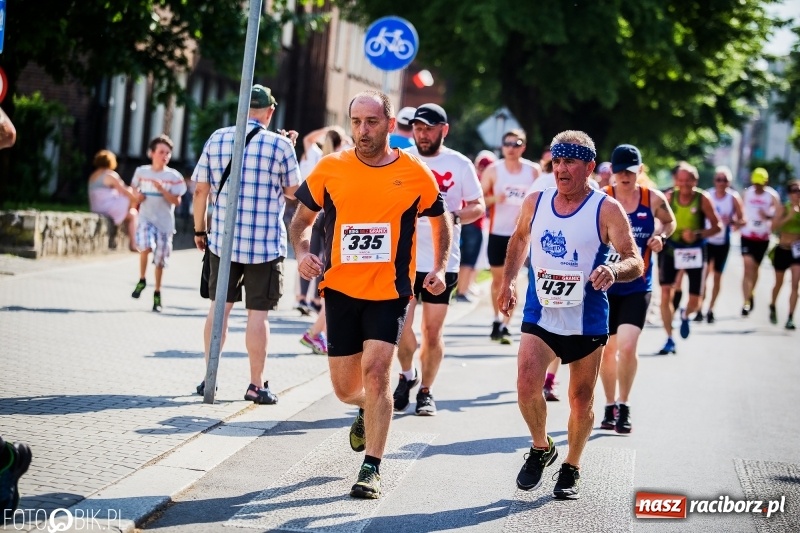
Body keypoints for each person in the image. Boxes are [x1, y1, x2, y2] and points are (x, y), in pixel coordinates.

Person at [290, 90, 451, 500]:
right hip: (340, 290)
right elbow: (301, 220)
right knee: (347, 388)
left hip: (391, 292)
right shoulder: (331, 168)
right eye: (357, 122)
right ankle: (365, 408)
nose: (363, 130)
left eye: (372, 122)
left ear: (390, 125)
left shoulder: (415, 172)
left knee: (378, 374)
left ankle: (371, 467)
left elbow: (440, 217)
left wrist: (439, 267)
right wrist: (303, 252)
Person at [499, 130, 643, 500]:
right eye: (557, 162)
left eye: (571, 162)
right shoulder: (537, 200)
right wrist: (509, 282)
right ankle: (541, 447)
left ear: (590, 167)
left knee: (581, 400)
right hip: (541, 313)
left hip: (587, 317)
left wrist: (614, 270)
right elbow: (518, 240)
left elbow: (634, 260)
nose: (562, 170)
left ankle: (572, 465)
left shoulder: (606, 208)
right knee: (526, 383)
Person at [192, 84, 301, 404]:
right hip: (264, 245)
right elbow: (295, 192)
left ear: (241, 109)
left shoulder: (217, 138)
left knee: (218, 309)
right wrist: (288, 147)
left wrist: (200, 231)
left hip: (222, 243)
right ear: (270, 112)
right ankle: (256, 385)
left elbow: (201, 190)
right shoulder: (279, 146)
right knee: (258, 315)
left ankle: (208, 377)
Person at [393, 104, 485, 416]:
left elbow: (478, 206)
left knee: (432, 332)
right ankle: (408, 375)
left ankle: (427, 392)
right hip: (403, 260)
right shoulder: (403, 160)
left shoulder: (459, 164)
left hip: (442, 261)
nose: (422, 133)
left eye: (429, 128)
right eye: (418, 128)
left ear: (443, 130)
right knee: (400, 327)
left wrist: (452, 216)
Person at [598, 144, 676, 434]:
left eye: (631, 171)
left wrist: (661, 237)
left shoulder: (652, 198)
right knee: (607, 350)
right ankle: (609, 404)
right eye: (620, 171)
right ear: (612, 173)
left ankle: (624, 403)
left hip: (637, 285)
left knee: (628, 346)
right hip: (604, 286)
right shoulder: (601, 198)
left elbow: (669, 222)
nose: (625, 176)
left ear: (640, 171)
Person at [656, 162, 720, 354]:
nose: (684, 184)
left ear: (695, 181)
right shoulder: (669, 197)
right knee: (666, 292)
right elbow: (659, 223)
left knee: (695, 301)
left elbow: (718, 227)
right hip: (671, 250)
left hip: (694, 251)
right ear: (676, 181)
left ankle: (685, 314)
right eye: (680, 180)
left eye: (688, 180)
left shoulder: (702, 199)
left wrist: (698, 234)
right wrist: (660, 235)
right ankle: (669, 338)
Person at [482, 129, 539, 344]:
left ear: (523, 147)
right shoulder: (493, 170)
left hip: (521, 234)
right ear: (502, 146)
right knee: (498, 280)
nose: (511, 148)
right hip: (497, 232)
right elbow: (479, 201)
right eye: (507, 143)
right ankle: (496, 318)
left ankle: (506, 325)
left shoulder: (532, 171)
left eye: (516, 143)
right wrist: (497, 197)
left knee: (512, 279)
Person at [130, 135, 187, 312]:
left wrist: (162, 189)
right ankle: (141, 279)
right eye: (161, 152)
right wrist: (137, 197)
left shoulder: (173, 176)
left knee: (160, 261)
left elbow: (177, 202)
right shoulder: (141, 172)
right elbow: (133, 192)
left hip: (165, 224)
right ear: (152, 153)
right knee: (146, 246)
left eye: (168, 153)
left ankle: (157, 293)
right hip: (146, 219)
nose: (165, 156)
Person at [695, 166, 745, 323]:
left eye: (725, 180)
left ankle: (711, 309)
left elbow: (743, 220)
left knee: (717, 276)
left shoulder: (733, 198)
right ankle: (699, 309)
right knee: (704, 275)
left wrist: (732, 222)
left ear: (729, 182)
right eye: (719, 179)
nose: (721, 183)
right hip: (707, 240)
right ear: (714, 181)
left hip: (723, 241)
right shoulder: (707, 195)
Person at [740, 167, 782, 316]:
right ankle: (745, 302)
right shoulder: (747, 193)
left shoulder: (772, 195)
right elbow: (741, 210)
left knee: (755, 269)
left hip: (763, 237)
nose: (758, 187)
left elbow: (779, 214)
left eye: (760, 184)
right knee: (747, 267)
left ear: (766, 182)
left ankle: (751, 293)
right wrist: (740, 221)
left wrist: (768, 218)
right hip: (746, 235)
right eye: (755, 184)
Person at [455, 150, 496, 302]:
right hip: (475, 223)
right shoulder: (483, 180)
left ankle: (461, 289)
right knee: (469, 260)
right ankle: (462, 291)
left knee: (462, 258)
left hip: (464, 222)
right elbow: (484, 201)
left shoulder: (471, 177)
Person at [87, 149, 143, 251]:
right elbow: (125, 190)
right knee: (133, 210)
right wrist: (136, 198)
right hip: (107, 208)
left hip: (96, 208)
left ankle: (129, 214)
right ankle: (133, 244)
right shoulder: (110, 175)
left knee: (132, 213)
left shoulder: (92, 176)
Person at [768, 179, 800, 330]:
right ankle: (773, 305)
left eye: (799, 191)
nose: (798, 194)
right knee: (778, 283)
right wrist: (789, 216)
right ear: (789, 193)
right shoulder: (784, 208)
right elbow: (773, 227)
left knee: (795, 284)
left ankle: (790, 318)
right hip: (782, 249)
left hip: (797, 252)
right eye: (795, 191)